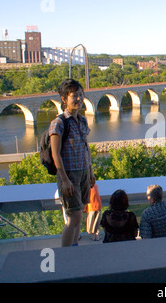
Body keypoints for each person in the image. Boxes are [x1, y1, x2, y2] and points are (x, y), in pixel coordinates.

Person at [49, 79, 96, 247]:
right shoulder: (59, 123)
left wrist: (90, 171)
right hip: (69, 175)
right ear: (64, 99)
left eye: (81, 95)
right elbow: (55, 153)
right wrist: (65, 179)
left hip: (83, 172)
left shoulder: (82, 120)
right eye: (74, 96)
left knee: (79, 214)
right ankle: (66, 252)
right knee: (74, 217)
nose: (79, 99)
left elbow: (85, 147)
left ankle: (74, 248)